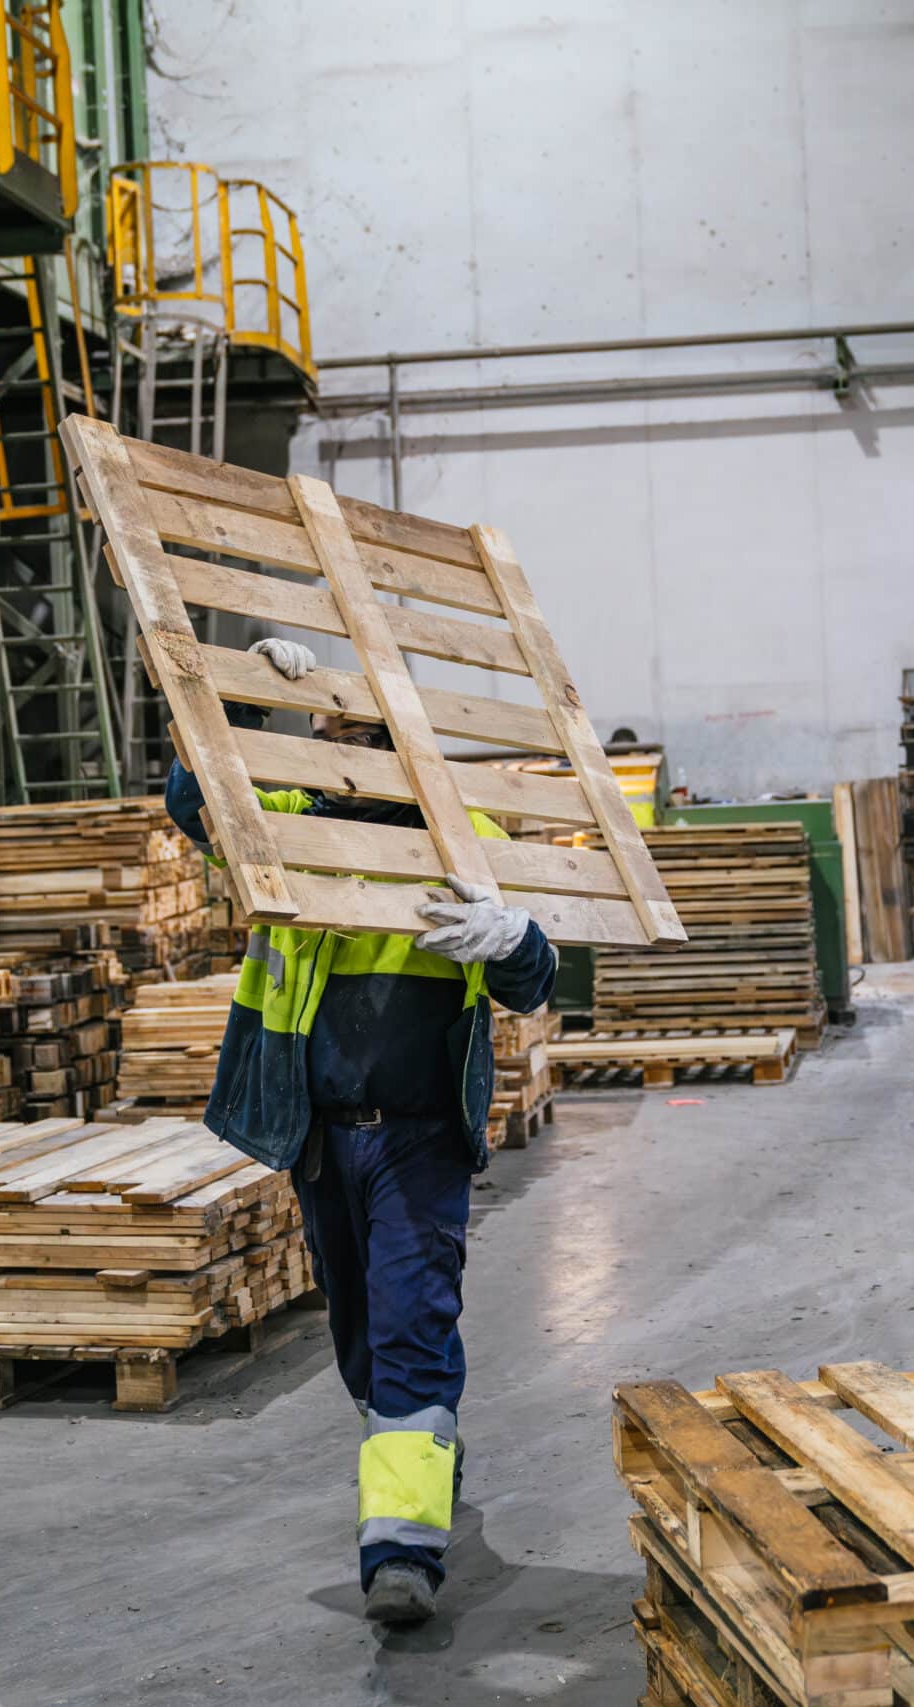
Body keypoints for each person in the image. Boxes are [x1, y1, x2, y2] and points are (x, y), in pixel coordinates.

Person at [162, 636, 558, 1628]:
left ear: (401, 739)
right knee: (358, 1339)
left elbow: (535, 977)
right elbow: (190, 797)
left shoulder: (456, 839)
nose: (347, 742)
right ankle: (416, 1446)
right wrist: (246, 705)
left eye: (365, 728)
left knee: (412, 1329)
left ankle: (402, 1553)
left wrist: (514, 940)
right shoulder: (285, 825)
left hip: (419, 1138)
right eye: (335, 726)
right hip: (321, 1136)